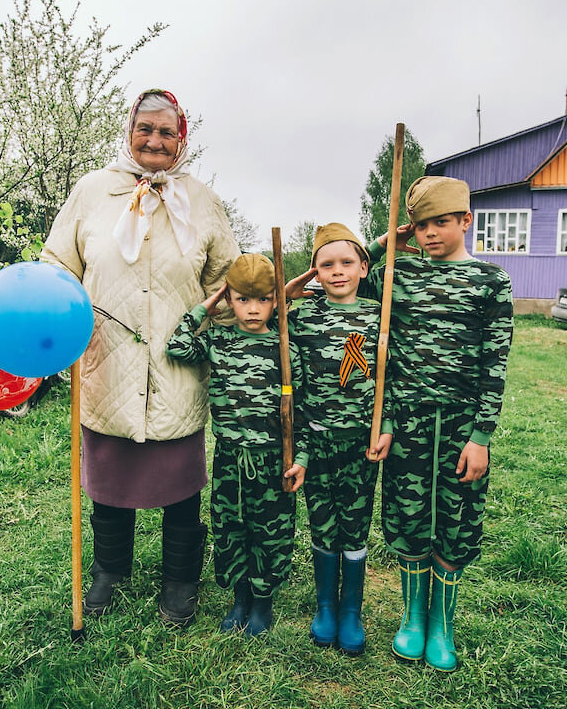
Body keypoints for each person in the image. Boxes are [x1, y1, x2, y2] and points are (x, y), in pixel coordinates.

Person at [40, 89, 240, 628]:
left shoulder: (202, 201)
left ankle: (179, 579)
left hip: (177, 363)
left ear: (182, 139)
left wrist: (235, 327)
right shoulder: (91, 192)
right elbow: (58, 266)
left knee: (179, 481)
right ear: (128, 131)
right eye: (144, 128)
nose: (154, 140)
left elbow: (228, 283)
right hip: (107, 362)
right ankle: (110, 570)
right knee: (108, 476)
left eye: (166, 132)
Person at [361, 177, 513, 672]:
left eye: (441, 223)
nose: (430, 233)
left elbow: (495, 363)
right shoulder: (397, 276)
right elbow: (351, 278)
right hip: (406, 424)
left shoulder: (491, 281)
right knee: (407, 517)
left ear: (466, 220)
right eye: (422, 225)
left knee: (456, 518)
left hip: (461, 426)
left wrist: (481, 437)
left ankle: (442, 624)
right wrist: (386, 243)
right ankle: (412, 618)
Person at [166, 253, 306, 637]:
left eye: (262, 299)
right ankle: (240, 596)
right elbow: (177, 347)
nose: (253, 309)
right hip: (230, 457)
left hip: (273, 459)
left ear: (275, 300)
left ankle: (263, 602)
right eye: (243, 299)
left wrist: (302, 458)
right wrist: (205, 307)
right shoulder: (219, 340)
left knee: (271, 531)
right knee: (231, 527)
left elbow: (303, 409)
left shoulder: (286, 348)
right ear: (230, 300)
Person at [284, 223, 391, 656]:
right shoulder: (303, 317)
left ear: (364, 267)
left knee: (356, 524)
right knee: (323, 522)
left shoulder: (379, 313)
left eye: (348, 262)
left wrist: (387, 428)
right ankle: (326, 606)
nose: (338, 271)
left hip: (361, 443)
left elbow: (395, 378)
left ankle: (351, 611)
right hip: (318, 440)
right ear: (314, 273)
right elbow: (257, 315)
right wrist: (289, 294)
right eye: (326, 265)